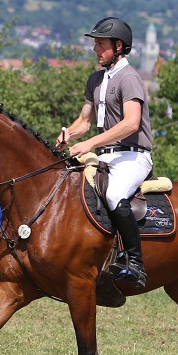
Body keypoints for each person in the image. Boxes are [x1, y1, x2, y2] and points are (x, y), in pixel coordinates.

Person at [56, 16, 152, 288]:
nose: (95, 49)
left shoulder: (129, 78)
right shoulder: (96, 79)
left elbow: (131, 122)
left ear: (118, 46)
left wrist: (90, 144)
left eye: (101, 44)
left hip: (133, 155)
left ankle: (135, 263)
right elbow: (85, 121)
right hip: (106, 155)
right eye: (95, 44)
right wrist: (69, 133)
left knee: (113, 194)